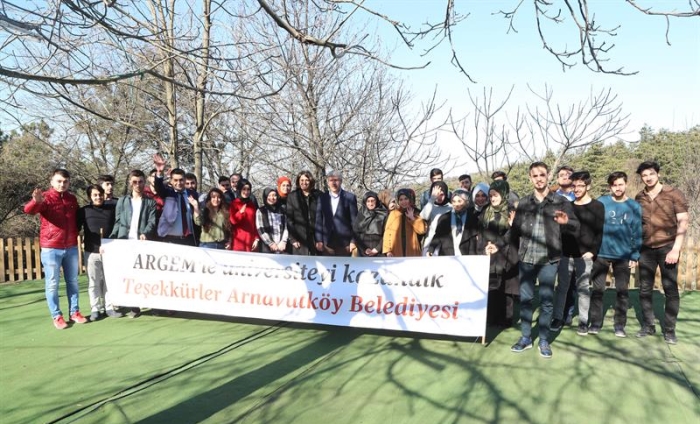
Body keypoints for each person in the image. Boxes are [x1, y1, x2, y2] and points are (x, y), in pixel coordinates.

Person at [509, 161, 580, 359]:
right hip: (526, 259)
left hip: (550, 260)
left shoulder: (561, 201)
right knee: (525, 301)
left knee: (547, 301)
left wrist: (567, 224)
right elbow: (514, 232)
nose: (539, 179)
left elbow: (576, 227)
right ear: (530, 178)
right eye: (535, 175)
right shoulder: (523, 202)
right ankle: (525, 338)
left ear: (548, 175)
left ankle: (543, 340)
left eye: (542, 175)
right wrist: (497, 245)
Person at [24, 169, 88, 329]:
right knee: (52, 283)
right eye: (59, 181)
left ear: (69, 182)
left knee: (73, 281)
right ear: (52, 181)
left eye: (65, 181)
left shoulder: (72, 198)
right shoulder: (45, 197)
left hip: (71, 247)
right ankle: (57, 316)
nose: (62, 184)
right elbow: (29, 211)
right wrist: (35, 202)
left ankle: (75, 312)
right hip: (51, 248)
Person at [635, 160, 689, 344]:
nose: (648, 178)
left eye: (651, 173)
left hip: (668, 248)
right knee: (644, 290)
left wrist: (675, 249)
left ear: (658, 174)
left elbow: (683, 222)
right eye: (644, 175)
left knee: (670, 290)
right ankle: (648, 325)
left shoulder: (674, 194)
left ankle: (669, 330)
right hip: (645, 249)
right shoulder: (639, 197)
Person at [589, 172, 642, 338]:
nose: (617, 188)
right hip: (601, 253)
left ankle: (620, 326)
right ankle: (595, 323)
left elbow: (637, 231)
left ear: (626, 184)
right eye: (614, 185)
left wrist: (634, 255)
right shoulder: (602, 202)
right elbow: (592, 226)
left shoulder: (634, 206)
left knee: (622, 291)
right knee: (597, 290)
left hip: (623, 255)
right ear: (610, 186)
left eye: (620, 184)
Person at [552, 171, 604, 335]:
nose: (577, 189)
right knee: (562, 288)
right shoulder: (567, 206)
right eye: (574, 185)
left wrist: (592, 252)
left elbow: (599, 232)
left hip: (585, 256)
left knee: (583, 289)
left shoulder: (597, 206)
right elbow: (559, 231)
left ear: (588, 185)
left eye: (581, 185)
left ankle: (583, 321)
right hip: (566, 254)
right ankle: (558, 318)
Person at [110, 170, 158, 318]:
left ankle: (149, 303)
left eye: (141, 182)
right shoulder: (122, 201)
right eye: (135, 182)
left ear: (145, 183)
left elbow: (152, 220)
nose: (138, 185)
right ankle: (134, 307)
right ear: (130, 183)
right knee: (129, 275)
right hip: (125, 242)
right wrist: (112, 239)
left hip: (142, 243)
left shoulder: (150, 202)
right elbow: (117, 221)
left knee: (144, 275)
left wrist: (145, 232)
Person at [479, 180, 519, 327]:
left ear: (503, 194)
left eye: (495, 195)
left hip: (507, 253)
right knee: (492, 287)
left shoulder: (511, 211)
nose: (493, 198)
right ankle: (491, 317)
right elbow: (481, 232)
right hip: (490, 252)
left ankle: (506, 319)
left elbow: (515, 234)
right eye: (490, 196)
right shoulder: (486, 211)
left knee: (506, 288)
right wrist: (484, 247)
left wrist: (511, 227)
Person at [77, 184, 119, 321]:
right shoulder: (84, 211)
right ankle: (95, 308)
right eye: (95, 195)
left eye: (100, 194)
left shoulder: (111, 209)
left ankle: (109, 307)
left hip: (109, 250)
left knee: (108, 281)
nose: (98, 197)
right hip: (91, 251)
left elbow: (117, 227)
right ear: (90, 196)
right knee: (93, 281)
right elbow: (76, 228)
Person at [153, 154, 197, 246]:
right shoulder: (168, 192)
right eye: (175, 180)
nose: (179, 183)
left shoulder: (192, 194)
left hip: (188, 240)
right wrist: (159, 172)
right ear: (171, 181)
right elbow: (159, 188)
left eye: (181, 180)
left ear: (185, 180)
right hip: (170, 239)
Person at [315, 171, 358, 256]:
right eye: (331, 180)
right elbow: (318, 221)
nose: (334, 183)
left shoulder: (350, 197)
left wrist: (353, 241)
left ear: (341, 181)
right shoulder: (322, 198)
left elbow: (355, 222)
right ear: (328, 182)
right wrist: (319, 240)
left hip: (345, 245)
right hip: (327, 245)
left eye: (336, 180)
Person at [428, 188, 478, 256]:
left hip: (466, 255)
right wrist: (431, 249)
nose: (456, 204)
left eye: (459, 201)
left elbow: (473, 239)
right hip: (447, 255)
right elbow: (438, 235)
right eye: (454, 201)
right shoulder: (444, 217)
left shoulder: (472, 218)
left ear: (466, 201)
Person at [286, 171, 322, 255]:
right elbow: (289, 220)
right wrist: (293, 239)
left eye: (307, 180)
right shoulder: (292, 196)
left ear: (311, 181)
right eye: (301, 180)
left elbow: (322, 218)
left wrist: (320, 239)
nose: (304, 183)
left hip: (316, 238)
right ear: (298, 181)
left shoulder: (319, 195)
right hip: (299, 237)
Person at [383, 188, 427, 257]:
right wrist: (388, 251)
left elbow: (422, 230)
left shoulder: (416, 212)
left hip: (412, 251)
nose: (404, 202)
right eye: (401, 199)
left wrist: (412, 218)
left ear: (410, 199)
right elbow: (388, 234)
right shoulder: (393, 214)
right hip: (396, 251)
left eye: (406, 198)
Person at [420, 181, 452, 255]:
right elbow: (423, 216)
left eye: (442, 194)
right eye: (437, 195)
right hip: (429, 243)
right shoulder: (430, 206)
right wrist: (432, 199)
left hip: (446, 245)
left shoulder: (451, 207)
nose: (439, 197)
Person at [353, 191, 388, 257]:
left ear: (376, 201)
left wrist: (377, 249)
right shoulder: (361, 214)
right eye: (368, 201)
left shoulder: (383, 214)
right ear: (365, 202)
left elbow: (386, 233)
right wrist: (364, 249)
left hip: (379, 251)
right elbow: (356, 233)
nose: (370, 203)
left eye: (372, 201)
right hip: (363, 251)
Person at [229, 179, 260, 252]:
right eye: (244, 189)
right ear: (239, 190)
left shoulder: (251, 204)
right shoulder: (235, 203)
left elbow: (255, 223)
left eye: (248, 189)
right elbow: (232, 221)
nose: (246, 192)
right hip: (239, 239)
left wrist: (256, 238)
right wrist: (240, 212)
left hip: (251, 239)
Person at [256, 188, 289, 254]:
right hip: (267, 246)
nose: (272, 198)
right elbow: (260, 229)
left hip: (282, 246)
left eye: (274, 195)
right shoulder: (261, 211)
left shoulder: (282, 210)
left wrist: (283, 241)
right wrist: (270, 243)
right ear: (265, 197)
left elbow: (286, 226)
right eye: (269, 195)